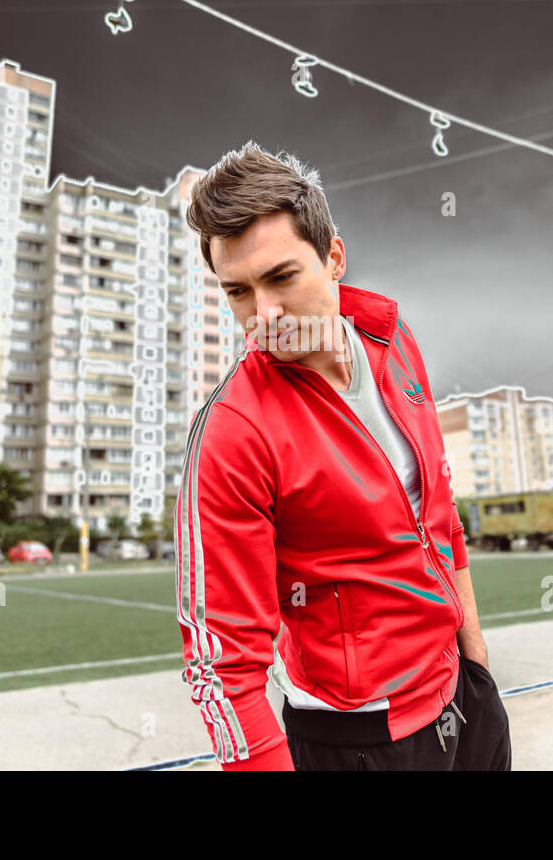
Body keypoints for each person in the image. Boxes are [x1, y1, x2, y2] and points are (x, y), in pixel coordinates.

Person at [175, 142, 511, 771]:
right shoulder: (231, 430)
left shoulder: (393, 337)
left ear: (334, 258)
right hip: (356, 739)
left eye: (281, 278)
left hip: (461, 695)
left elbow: (439, 510)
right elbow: (221, 667)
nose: (265, 315)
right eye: (238, 292)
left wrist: (475, 655)